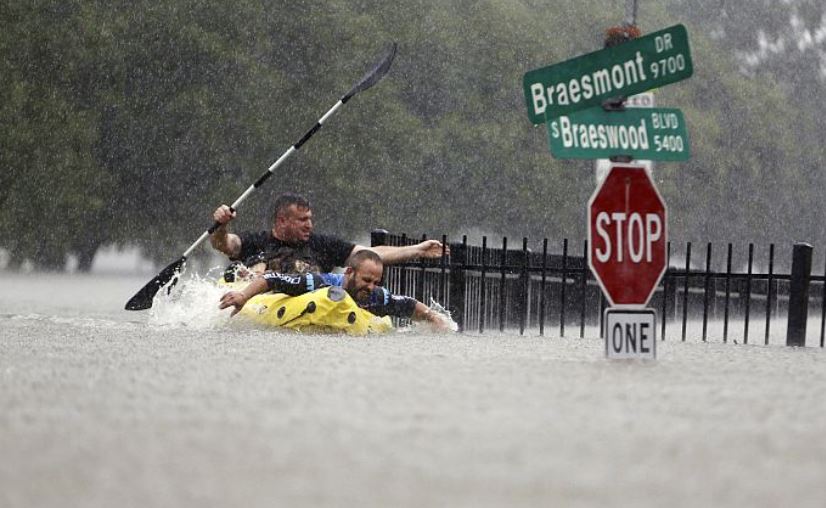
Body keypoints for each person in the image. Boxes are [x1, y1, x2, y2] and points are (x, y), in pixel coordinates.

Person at [210, 192, 449, 275]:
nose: (309, 225)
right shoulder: (256, 241)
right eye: (302, 220)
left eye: (310, 219)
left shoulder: (322, 244)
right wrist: (221, 225)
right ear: (282, 220)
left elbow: (370, 254)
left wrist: (417, 249)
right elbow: (224, 244)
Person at [219, 249, 451, 329]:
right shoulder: (319, 282)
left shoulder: (375, 296)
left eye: (376, 282)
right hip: (290, 305)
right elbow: (272, 279)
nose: (371, 287)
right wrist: (243, 296)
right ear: (349, 272)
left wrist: (434, 318)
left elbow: (408, 305)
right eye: (367, 280)